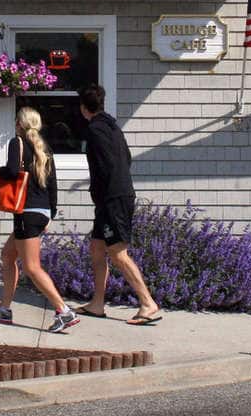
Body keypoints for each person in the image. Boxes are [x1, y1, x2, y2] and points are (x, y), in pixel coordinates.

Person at [0, 107, 80, 333]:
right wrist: (51, 213)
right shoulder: (45, 147)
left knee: (32, 267)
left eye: (16, 120)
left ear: (19, 124)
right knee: (8, 256)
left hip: (25, 211)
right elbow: (53, 183)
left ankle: (63, 311)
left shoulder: (17, 142)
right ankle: (4, 309)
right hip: (41, 211)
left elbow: (12, 171)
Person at [76, 84, 162, 326]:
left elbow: (106, 166)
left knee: (117, 252)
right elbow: (127, 158)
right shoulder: (112, 126)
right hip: (115, 196)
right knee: (97, 248)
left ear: (83, 107)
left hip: (112, 199)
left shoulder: (94, 130)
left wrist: (104, 193)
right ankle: (97, 303)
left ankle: (147, 303)